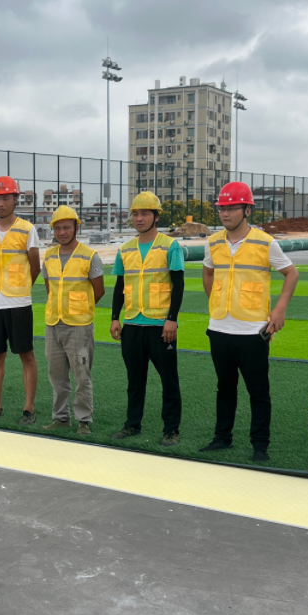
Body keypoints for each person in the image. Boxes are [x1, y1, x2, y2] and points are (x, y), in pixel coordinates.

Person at [198, 181, 299, 462]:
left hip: (253, 330)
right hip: (219, 328)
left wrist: (279, 310)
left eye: (232, 208)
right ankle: (222, 437)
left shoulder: (265, 242)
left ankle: (260, 444)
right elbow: (208, 273)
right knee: (224, 388)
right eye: (222, 208)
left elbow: (292, 274)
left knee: (258, 391)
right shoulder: (213, 242)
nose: (225, 213)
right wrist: (216, 301)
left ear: (247, 210)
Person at [109, 191, 184, 446]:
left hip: (160, 326)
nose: (139, 218)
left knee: (169, 380)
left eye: (144, 213)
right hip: (132, 324)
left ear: (156, 216)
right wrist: (115, 318)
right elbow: (120, 286)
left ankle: (171, 429)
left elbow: (178, 284)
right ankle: (132, 424)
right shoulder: (125, 249)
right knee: (135, 380)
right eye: (135, 214)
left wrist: (172, 319)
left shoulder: (170, 246)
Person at [0, 175, 41, 425]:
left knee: (26, 355)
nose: (1, 203)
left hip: (18, 304)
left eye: (5, 198)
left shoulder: (27, 229)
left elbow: (35, 267)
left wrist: (21, 289)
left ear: (16, 199)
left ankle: (29, 408)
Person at [42, 205, 105, 435]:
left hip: (79, 327)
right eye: (58, 228)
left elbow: (99, 291)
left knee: (81, 375)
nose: (62, 232)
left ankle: (83, 420)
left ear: (76, 228)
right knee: (56, 375)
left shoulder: (90, 256)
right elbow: (50, 289)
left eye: (67, 227)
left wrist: (80, 309)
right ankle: (61, 418)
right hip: (53, 324)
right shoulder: (49, 256)